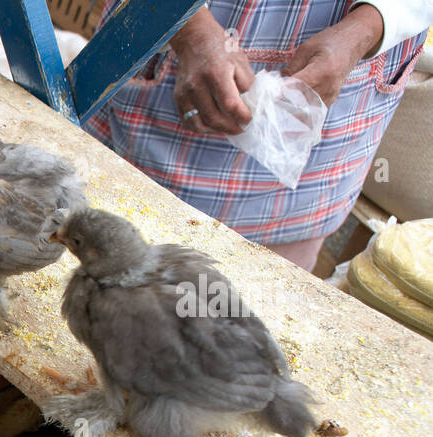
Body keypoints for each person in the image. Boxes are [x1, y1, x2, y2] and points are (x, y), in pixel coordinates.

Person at [85, 1, 433, 270]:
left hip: (346, 92)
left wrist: (365, 29)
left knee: (249, 310)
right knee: (111, 254)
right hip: (170, 43)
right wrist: (190, 28)